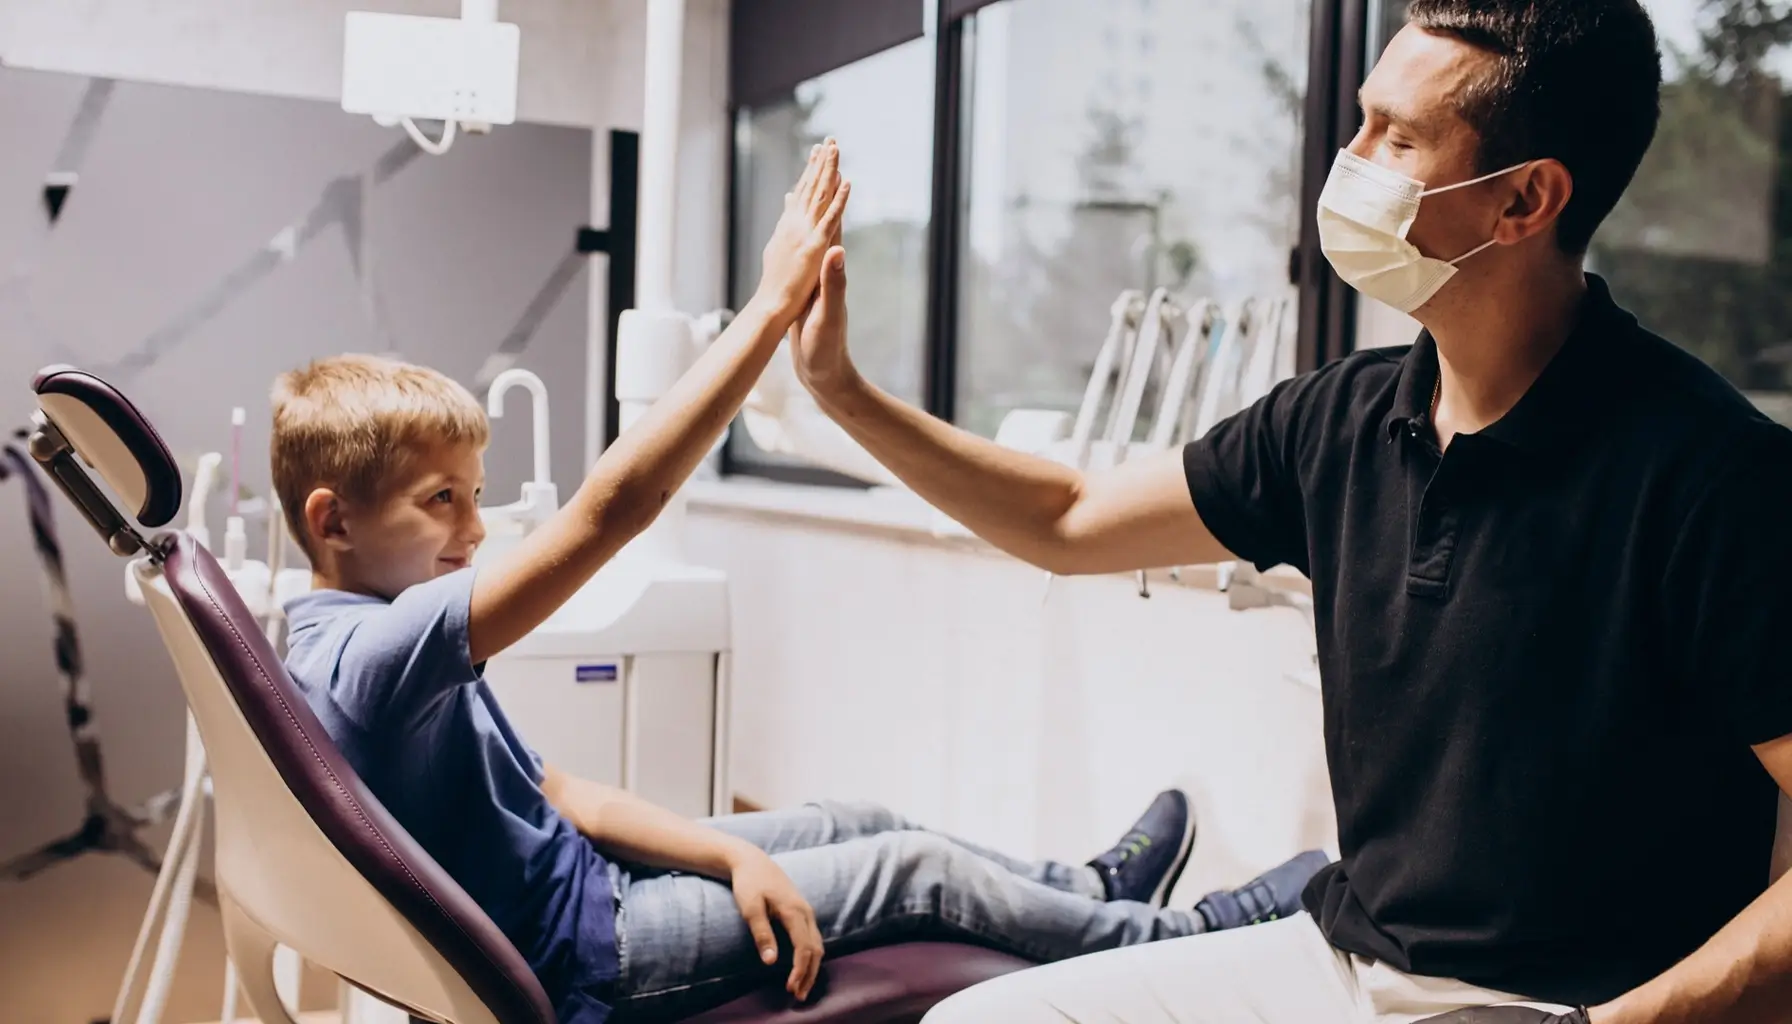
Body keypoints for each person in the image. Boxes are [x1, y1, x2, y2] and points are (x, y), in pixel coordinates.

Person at [783, 3, 1792, 1023]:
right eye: (1359, 121)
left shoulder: (1712, 478)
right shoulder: (1338, 420)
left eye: (1394, 138)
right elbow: (1070, 515)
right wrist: (843, 391)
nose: (1346, 160)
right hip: (1346, 963)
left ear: (1524, 198)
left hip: (1572, 1006)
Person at [270, 140, 1329, 1024]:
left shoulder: (358, 630)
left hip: (590, 890)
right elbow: (611, 510)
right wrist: (769, 309)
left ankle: (1083, 892)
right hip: (591, 951)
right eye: (440, 500)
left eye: (474, 492)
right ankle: (1177, 935)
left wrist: (731, 854)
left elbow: (557, 793)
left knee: (848, 814)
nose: (475, 526)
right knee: (917, 870)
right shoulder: (373, 655)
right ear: (336, 521)